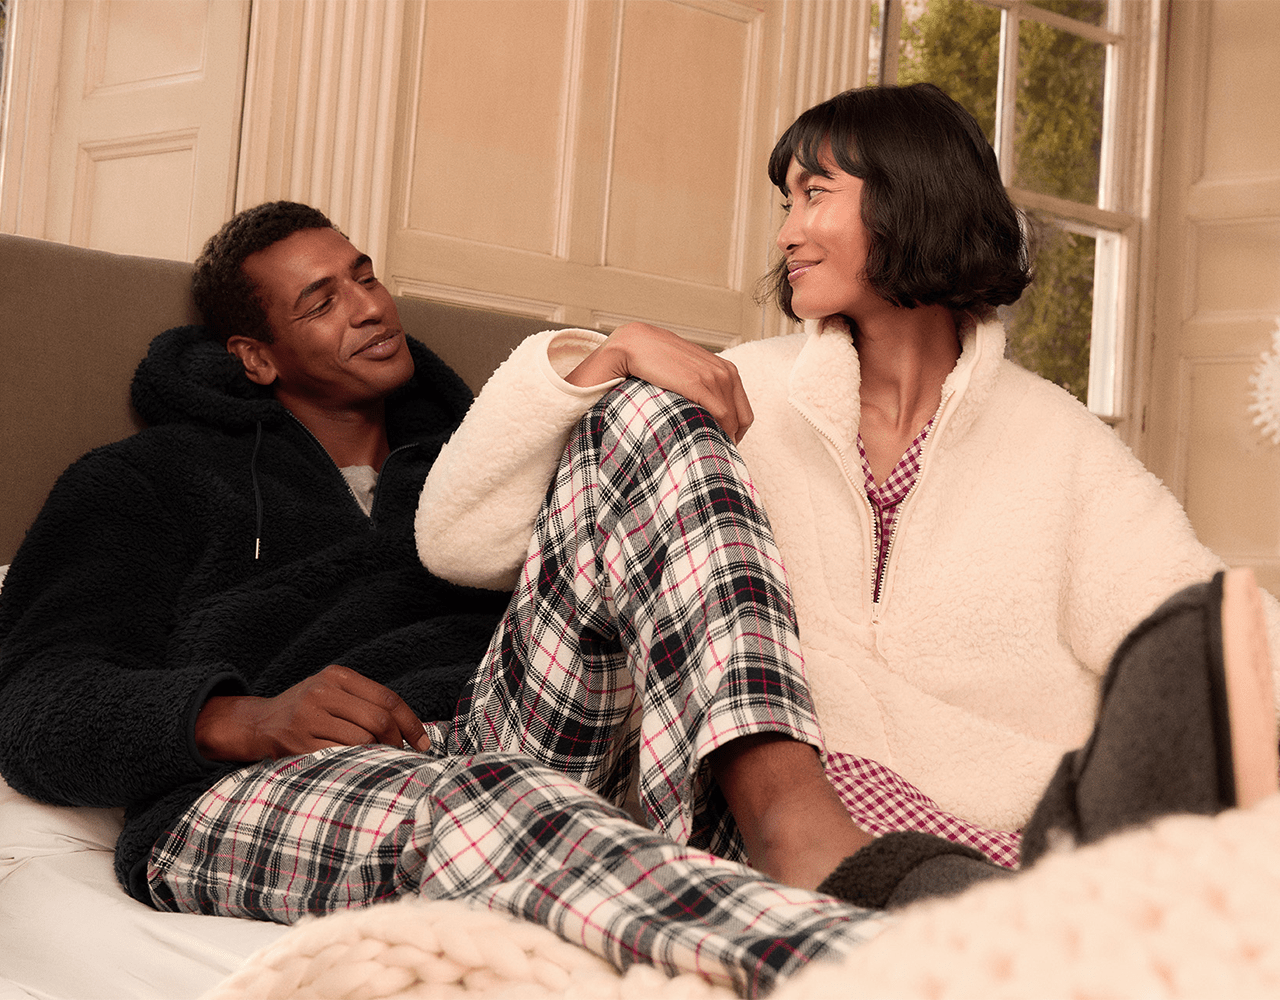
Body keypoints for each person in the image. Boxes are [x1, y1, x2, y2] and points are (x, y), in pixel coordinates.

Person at [0, 200, 895, 995]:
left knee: (640, 412)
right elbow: (34, 695)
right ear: (256, 358)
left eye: (364, 276)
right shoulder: (147, 480)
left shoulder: (468, 459)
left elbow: (610, 568)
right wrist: (245, 716)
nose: (368, 307)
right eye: (321, 301)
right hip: (254, 782)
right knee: (493, 798)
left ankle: (794, 826)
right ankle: (879, 969)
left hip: (499, 727)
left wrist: (610, 355)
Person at [415, 82, 1280, 901]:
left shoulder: (1062, 446)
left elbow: (1213, 644)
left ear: (912, 200)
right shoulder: (731, 395)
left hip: (985, 844)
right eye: (785, 204)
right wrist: (597, 359)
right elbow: (462, 537)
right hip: (746, 815)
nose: (787, 233)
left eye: (814, 195)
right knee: (647, 408)